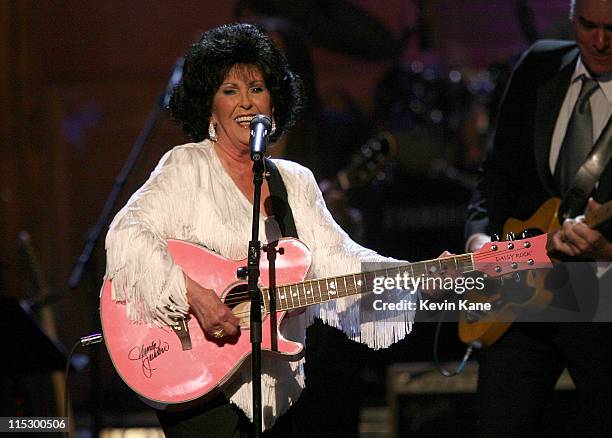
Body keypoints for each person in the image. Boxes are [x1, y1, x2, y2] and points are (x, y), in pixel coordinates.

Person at [104, 23, 413, 437]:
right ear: (209, 108)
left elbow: (340, 259)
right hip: (196, 378)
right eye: (230, 91)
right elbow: (126, 233)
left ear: (274, 101)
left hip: (275, 391)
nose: (246, 103)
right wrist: (196, 296)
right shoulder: (187, 168)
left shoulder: (295, 181)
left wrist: (417, 276)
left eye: (256, 88)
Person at [465, 0, 612, 436]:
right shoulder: (540, 65)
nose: (600, 41)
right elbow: (498, 174)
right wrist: (480, 238)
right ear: (572, 19)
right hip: (523, 291)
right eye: (588, 26)